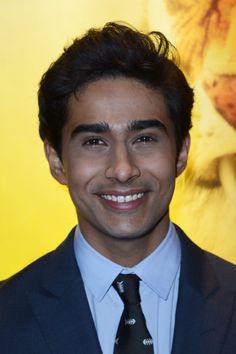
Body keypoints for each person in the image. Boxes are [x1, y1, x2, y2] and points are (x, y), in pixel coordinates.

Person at [0, 22, 235, 354]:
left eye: (144, 139)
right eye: (95, 141)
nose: (123, 169)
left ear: (181, 152)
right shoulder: (6, 317)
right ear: (56, 160)